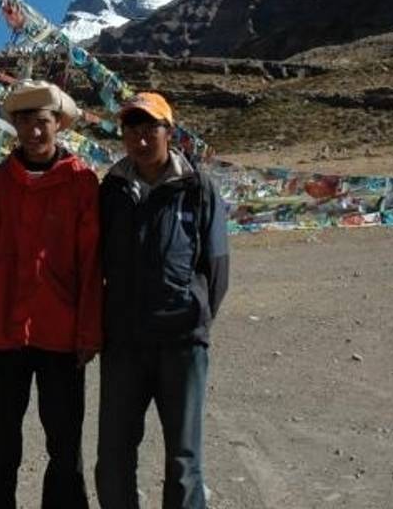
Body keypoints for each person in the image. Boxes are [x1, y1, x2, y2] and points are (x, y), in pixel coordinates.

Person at [0, 80, 101, 509]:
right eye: (24, 122)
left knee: (64, 445)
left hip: (61, 333)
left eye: (42, 121)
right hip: (5, 330)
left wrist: (88, 333)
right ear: (15, 126)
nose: (34, 131)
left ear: (58, 123)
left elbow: (92, 263)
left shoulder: (81, 181)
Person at [95, 93, 229, 509]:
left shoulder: (197, 187)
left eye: (150, 127)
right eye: (131, 128)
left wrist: (196, 314)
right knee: (114, 455)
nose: (140, 137)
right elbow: (98, 258)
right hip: (124, 344)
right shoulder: (112, 189)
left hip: (181, 342)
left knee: (184, 456)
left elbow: (217, 267)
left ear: (170, 132)